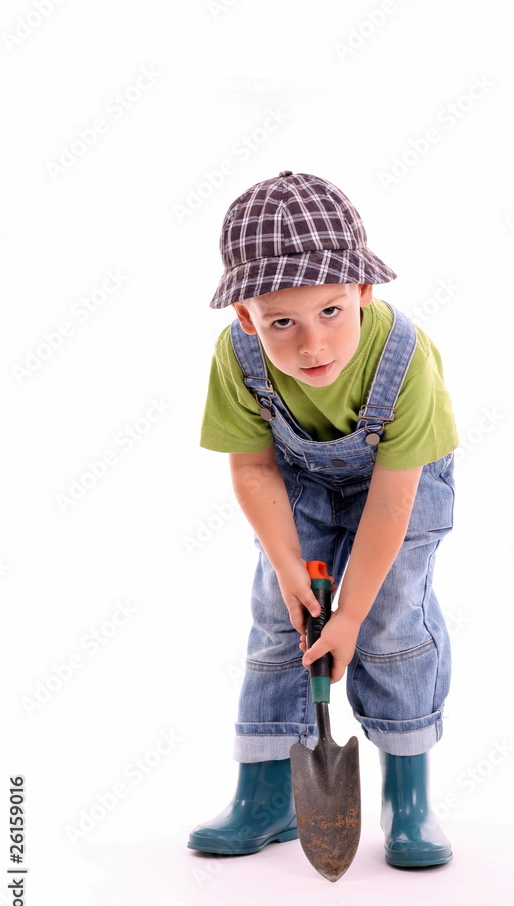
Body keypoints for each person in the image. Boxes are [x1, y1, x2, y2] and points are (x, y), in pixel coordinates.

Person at [187, 171, 459, 868]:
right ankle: (265, 795)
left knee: (390, 621)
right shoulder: (236, 356)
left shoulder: (405, 359)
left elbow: (392, 500)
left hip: (399, 482)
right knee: (281, 620)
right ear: (246, 316)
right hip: (297, 482)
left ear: (363, 290)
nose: (313, 345)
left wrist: (351, 615)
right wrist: (287, 565)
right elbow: (253, 468)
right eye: (282, 322)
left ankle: (408, 800)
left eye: (331, 311)